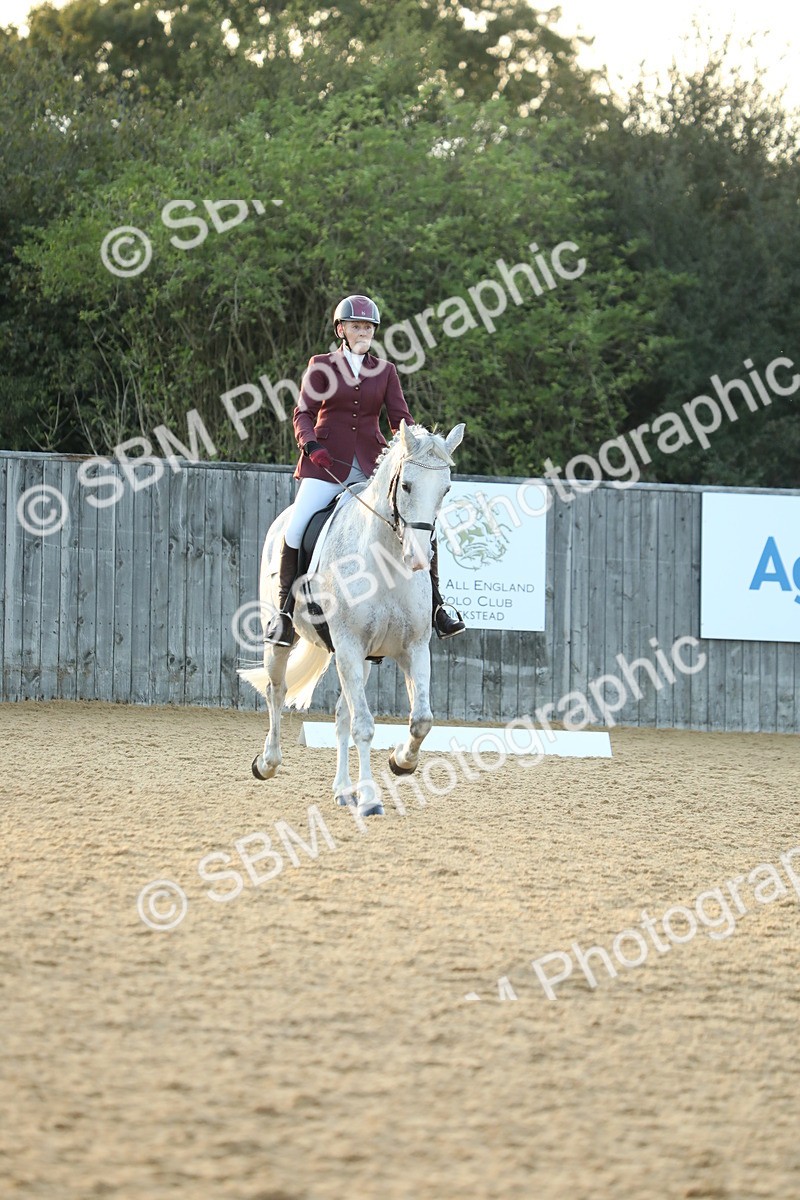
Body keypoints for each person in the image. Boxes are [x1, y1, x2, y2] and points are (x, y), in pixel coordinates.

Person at [264, 293, 466, 646]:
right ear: (341, 329)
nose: (363, 332)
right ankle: (284, 613)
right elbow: (304, 413)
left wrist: (418, 446)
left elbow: (401, 419)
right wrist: (311, 445)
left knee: (421, 527)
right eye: (356, 326)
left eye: (368, 327)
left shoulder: (385, 372)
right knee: (295, 529)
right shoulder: (321, 365)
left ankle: (437, 607)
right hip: (324, 466)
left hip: (372, 468)